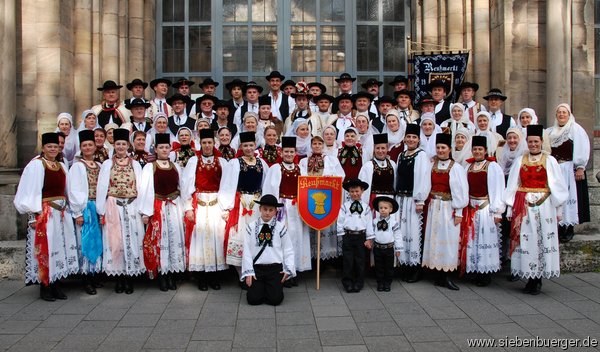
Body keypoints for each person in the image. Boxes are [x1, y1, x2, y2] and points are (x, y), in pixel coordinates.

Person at [14, 132, 79, 301]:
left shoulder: (62, 166)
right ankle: (45, 286)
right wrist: (34, 216)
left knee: (59, 248)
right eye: (49, 146)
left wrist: (72, 210)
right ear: (43, 148)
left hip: (60, 213)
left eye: (55, 147)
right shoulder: (36, 165)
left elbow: (67, 190)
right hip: (45, 214)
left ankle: (56, 283)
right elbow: (30, 191)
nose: (52, 149)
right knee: (45, 248)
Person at [504, 125, 568, 295]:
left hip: (544, 206)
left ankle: (537, 279)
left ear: (541, 142)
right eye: (530, 141)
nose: (533, 144)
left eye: (536, 141)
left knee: (541, 241)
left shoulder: (550, 161)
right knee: (526, 241)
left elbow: (558, 186)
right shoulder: (520, 160)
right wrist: (510, 207)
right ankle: (529, 277)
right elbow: (513, 184)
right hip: (524, 207)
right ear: (527, 142)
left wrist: (558, 209)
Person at [96, 128, 146, 294]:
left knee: (132, 240)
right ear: (114, 145)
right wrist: (101, 211)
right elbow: (102, 187)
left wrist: (141, 209)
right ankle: (119, 278)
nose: (120, 147)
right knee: (116, 242)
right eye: (118, 144)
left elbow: (141, 187)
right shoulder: (107, 164)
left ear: (128, 145)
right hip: (114, 206)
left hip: (131, 205)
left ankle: (130, 277)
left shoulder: (135, 164)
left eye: (123, 144)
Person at [183, 129, 230, 291]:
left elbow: (226, 186)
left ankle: (214, 276)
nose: (207, 145)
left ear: (214, 143)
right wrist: (188, 207)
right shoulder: (193, 161)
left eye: (210, 142)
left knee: (217, 238)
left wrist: (226, 207)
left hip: (216, 204)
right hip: (200, 205)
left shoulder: (222, 162)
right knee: (200, 238)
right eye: (204, 143)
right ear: (200, 144)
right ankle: (201, 277)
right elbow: (187, 185)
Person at [139, 133, 186, 291]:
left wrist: (185, 207)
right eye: (161, 147)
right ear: (156, 149)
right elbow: (145, 189)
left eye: (167, 147)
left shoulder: (176, 166)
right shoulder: (149, 167)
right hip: (158, 206)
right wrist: (146, 212)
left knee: (173, 239)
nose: (164, 150)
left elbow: (182, 187)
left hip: (173, 207)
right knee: (160, 241)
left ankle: (172, 274)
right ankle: (162, 275)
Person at [422, 133, 468, 290]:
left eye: (443, 147)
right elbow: (426, 185)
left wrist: (459, 212)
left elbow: (460, 191)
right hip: (434, 206)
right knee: (434, 239)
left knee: (448, 241)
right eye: (438, 147)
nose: (440, 150)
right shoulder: (432, 165)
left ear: (449, 149)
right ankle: (437, 273)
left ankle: (447, 275)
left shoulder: (456, 168)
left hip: (449, 208)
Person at [222, 132, 269, 284]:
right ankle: (242, 274)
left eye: (251, 145)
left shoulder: (262, 163)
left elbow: (266, 185)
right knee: (240, 237)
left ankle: (256, 272)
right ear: (241, 146)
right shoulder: (235, 163)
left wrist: (266, 204)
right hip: (241, 204)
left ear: (255, 146)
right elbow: (227, 185)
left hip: (257, 204)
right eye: (245, 145)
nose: (248, 148)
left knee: (256, 237)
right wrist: (226, 206)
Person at [263, 136, 311, 286]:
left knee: (297, 238)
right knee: (283, 239)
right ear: (281, 153)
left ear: (295, 152)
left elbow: (306, 189)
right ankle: (282, 271)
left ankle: (294, 270)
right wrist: (273, 210)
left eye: (291, 151)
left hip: (297, 208)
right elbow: (270, 189)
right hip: (282, 208)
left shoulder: (301, 169)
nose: (289, 154)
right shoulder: (276, 168)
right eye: (286, 152)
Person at [459, 135, 505, 286]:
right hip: (471, 209)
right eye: (475, 149)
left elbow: (498, 189)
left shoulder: (492, 166)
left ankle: (485, 273)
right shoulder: (468, 167)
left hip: (485, 208)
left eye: (480, 149)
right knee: (473, 240)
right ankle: (475, 269)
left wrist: (497, 211)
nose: (477, 152)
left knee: (485, 240)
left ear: (485, 151)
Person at [547, 103, 591, 242]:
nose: (561, 115)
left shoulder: (575, 129)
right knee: (556, 197)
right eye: (559, 112)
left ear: (569, 114)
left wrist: (580, 167)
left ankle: (569, 227)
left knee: (570, 198)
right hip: (555, 169)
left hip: (569, 168)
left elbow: (582, 147)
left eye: (564, 112)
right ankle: (558, 227)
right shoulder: (550, 132)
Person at [241, 194, 295, 306]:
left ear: (276, 211)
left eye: (271, 210)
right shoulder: (251, 227)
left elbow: (288, 249)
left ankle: (270, 289)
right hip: (257, 269)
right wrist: (249, 271)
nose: (267, 212)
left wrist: (288, 269)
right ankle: (261, 289)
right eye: (265, 209)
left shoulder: (281, 228)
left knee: (275, 300)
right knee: (253, 300)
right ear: (260, 209)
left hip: (275, 269)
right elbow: (246, 250)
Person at [68, 130, 103, 295]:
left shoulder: (100, 165)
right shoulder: (77, 166)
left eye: (90, 145)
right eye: (85, 145)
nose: (88, 147)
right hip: (85, 207)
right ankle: (86, 278)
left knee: (98, 240)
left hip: (98, 206)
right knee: (85, 241)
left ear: (95, 146)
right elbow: (73, 190)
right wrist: (78, 212)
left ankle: (95, 274)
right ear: (81, 148)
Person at [300, 135, 345, 261]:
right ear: (311, 145)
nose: (317, 146)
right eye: (314, 144)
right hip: (309, 199)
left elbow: (341, 176)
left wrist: (330, 178)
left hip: (327, 198)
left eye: (320, 144)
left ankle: (326, 258)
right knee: (311, 224)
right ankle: (312, 258)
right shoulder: (304, 161)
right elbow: (301, 178)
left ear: (323, 145)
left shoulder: (332, 160)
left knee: (325, 224)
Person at [396, 124, 431, 283]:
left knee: (413, 233)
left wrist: (420, 200)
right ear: (404, 138)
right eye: (408, 137)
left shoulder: (421, 155)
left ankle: (415, 268)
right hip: (400, 199)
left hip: (413, 200)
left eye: (414, 137)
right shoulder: (401, 155)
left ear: (418, 140)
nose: (411, 140)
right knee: (402, 233)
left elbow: (423, 178)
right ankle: (403, 265)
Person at [337, 178, 374, 293]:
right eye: (352, 191)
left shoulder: (366, 208)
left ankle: (359, 282)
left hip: (361, 237)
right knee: (348, 261)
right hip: (348, 235)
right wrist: (342, 235)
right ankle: (347, 283)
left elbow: (369, 223)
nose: (354, 194)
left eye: (357, 191)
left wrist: (369, 238)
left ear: (362, 191)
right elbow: (340, 220)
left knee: (360, 260)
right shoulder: (345, 206)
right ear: (349, 192)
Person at [369, 196, 402, 292]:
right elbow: (371, 233)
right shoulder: (375, 222)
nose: (383, 210)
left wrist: (398, 249)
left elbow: (398, 236)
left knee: (389, 267)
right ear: (378, 209)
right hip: (378, 248)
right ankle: (380, 283)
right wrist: (370, 241)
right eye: (381, 208)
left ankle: (387, 283)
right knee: (379, 267)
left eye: (385, 208)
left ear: (390, 210)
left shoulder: (394, 223)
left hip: (389, 248)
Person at [359, 133, 397, 209]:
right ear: (374, 149)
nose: (380, 151)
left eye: (383, 148)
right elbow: (363, 189)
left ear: (387, 149)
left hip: (390, 201)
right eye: (377, 148)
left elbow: (395, 185)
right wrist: (364, 205)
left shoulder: (393, 165)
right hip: (374, 201)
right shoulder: (368, 166)